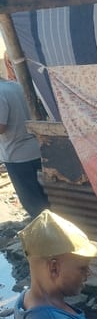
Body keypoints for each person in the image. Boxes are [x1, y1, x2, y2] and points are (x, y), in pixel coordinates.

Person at [0, 77, 49, 218]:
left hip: (17, 156)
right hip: (37, 149)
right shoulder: (17, 86)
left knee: (33, 203)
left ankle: (47, 235)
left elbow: (1, 127)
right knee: (45, 198)